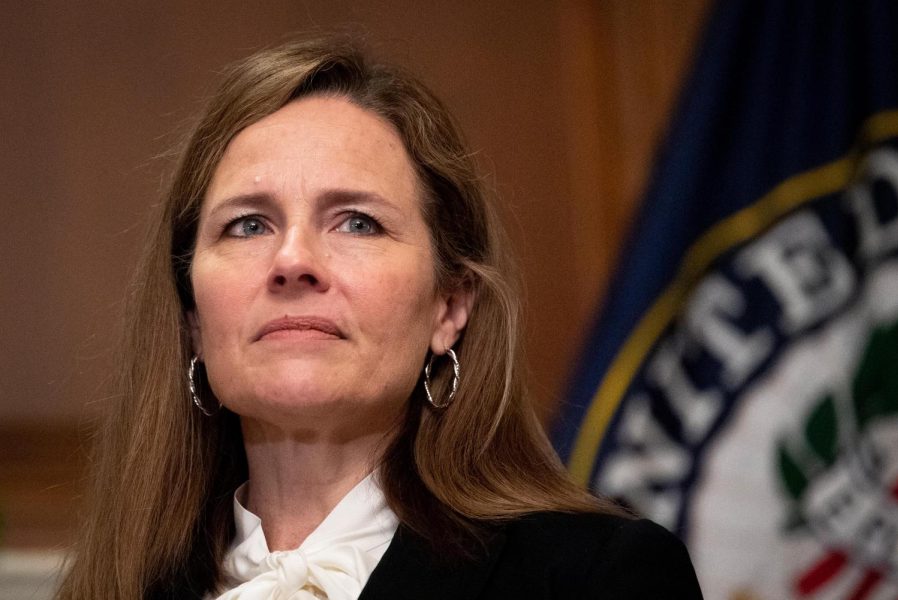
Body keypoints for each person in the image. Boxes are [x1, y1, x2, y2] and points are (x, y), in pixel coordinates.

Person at [58, 37, 703, 599]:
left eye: (357, 222)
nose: (292, 260)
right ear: (194, 317)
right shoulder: (117, 587)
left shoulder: (593, 578)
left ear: (448, 308)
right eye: (248, 224)